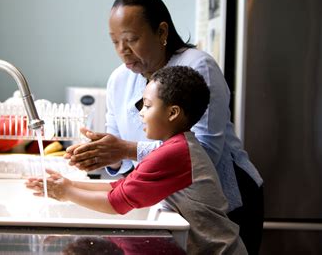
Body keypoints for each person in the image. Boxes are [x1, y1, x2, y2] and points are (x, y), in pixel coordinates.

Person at [65, 0, 264, 254]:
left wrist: (125, 149)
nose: (123, 51)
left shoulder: (197, 66)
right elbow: (121, 159)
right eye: (115, 42)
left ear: (161, 32)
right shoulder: (119, 80)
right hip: (171, 205)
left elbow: (204, 154)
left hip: (228, 205)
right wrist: (101, 154)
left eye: (131, 39)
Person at [27, 66, 247, 254]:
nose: (141, 112)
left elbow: (116, 203)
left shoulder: (176, 153)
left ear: (173, 113)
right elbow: (119, 186)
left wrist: (65, 192)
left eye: (148, 105)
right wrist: (69, 184)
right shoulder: (176, 147)